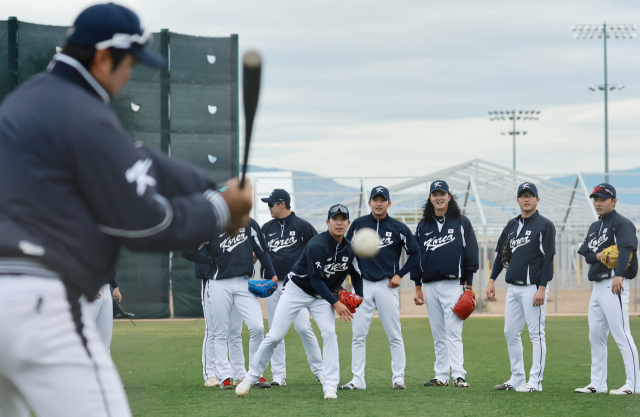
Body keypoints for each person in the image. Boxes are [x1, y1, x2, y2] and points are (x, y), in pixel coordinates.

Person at [0, 4, 252, 416]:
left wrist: (213, 189)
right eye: (129, 63)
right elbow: (148, 224)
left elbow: (137, 159)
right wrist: (220, 212)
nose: (129, 74)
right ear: (103, 56)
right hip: (40, 305)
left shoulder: (22, 106)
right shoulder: (84, 111)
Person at [236, 204, 363, 400]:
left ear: (348, 223)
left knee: (329, 333)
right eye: (335, 219)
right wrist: (336, 303)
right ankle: (250, 377)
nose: (339, 222)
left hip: (321, 296)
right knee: (275, 335)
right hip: (297, 290)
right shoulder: (316, 245)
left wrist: (359, 297)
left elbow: (357, 274)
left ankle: (329, 385)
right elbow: (316, 280)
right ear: (327, 222)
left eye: (343, 219)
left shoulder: (350, 249)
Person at [339, 186, 419, 390]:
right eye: (375, 199)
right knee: (358, 334)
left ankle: (398, 378)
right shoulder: (358, 224)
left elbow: (416, 254)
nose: (379, 203)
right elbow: (346, 251)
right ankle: (358, 379)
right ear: (369, 202)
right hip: (362, 285)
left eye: (383, 199)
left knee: (394, 334)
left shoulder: (398, 227)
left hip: (387, 285)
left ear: (389, 203)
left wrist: (400, 274)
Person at [487, 182, 555, 392]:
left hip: (533, 287)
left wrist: (542, 288)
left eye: (530, 195)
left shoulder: (544, 225)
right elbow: (501, 255)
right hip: (513, 287)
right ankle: (517, 377)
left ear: (537, 200)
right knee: (510, 332)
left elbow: (548, 259)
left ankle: (535, 381)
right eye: (523, 195)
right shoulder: (512, 225)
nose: (526, 199)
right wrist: (491, 280)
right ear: (517, 200)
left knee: (536, 334)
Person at [411, 180, 478, 388]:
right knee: (438, 332)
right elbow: (415, 256)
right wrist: (417, 286)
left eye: (443, 194)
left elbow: (471, 254)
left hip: (454, 284)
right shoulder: (423, 225)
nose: (439, 198)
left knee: (453, 331)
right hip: (430, 285)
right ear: (430, 198)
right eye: (435, 194)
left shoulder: (461, 222)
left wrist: (469, 286)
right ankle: (441, 376)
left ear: (449, 197)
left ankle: (459, 375)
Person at [575, 183, 640, 395]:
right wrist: (600, 256)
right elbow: (586, 254)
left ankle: (634, 384)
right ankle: (598, 383)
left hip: (615, 283)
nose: (598, 202)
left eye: (602, 199)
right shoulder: (595, 227)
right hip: (597, 286)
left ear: (613, 201)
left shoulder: (622, 223)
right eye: (595, 198)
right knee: (595, 335)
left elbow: (627, 249)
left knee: (622, 333)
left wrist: (619, 274)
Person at [201, 216, 277, 389]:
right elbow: (192, 251)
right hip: (219, 283)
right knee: (221, 332)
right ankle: (224, 376)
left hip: (244, 282)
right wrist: (209, 262)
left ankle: (254, 374)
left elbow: (262, 251)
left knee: (257, 327)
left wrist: (272, 274)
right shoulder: (211, 224)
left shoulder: (248, 222)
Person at [259, 189, 323, 386]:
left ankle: (320, 371)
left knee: (303, 327)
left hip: (297, 286)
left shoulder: (302, 226)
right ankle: (279, 377)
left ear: (282, 204)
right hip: (271, 286)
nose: (269, 207)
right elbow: (257, 253)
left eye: (271, 204)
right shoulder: (266, 228)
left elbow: (318, 250)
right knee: (275, 331)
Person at [181, 245, 246, 388]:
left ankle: (239, 374)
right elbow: (190, 251)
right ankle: (211, 374)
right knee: (212, 330)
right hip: (211, 280)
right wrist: (210, 262)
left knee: (235, 331)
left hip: (235, 281)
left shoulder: (235, 229)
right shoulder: (207, 228)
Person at [85, 272, 123, 354]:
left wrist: (115, 287)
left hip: (106, 288)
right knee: (84, 334)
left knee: (105, 340)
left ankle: (104, 366)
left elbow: (108, 266)